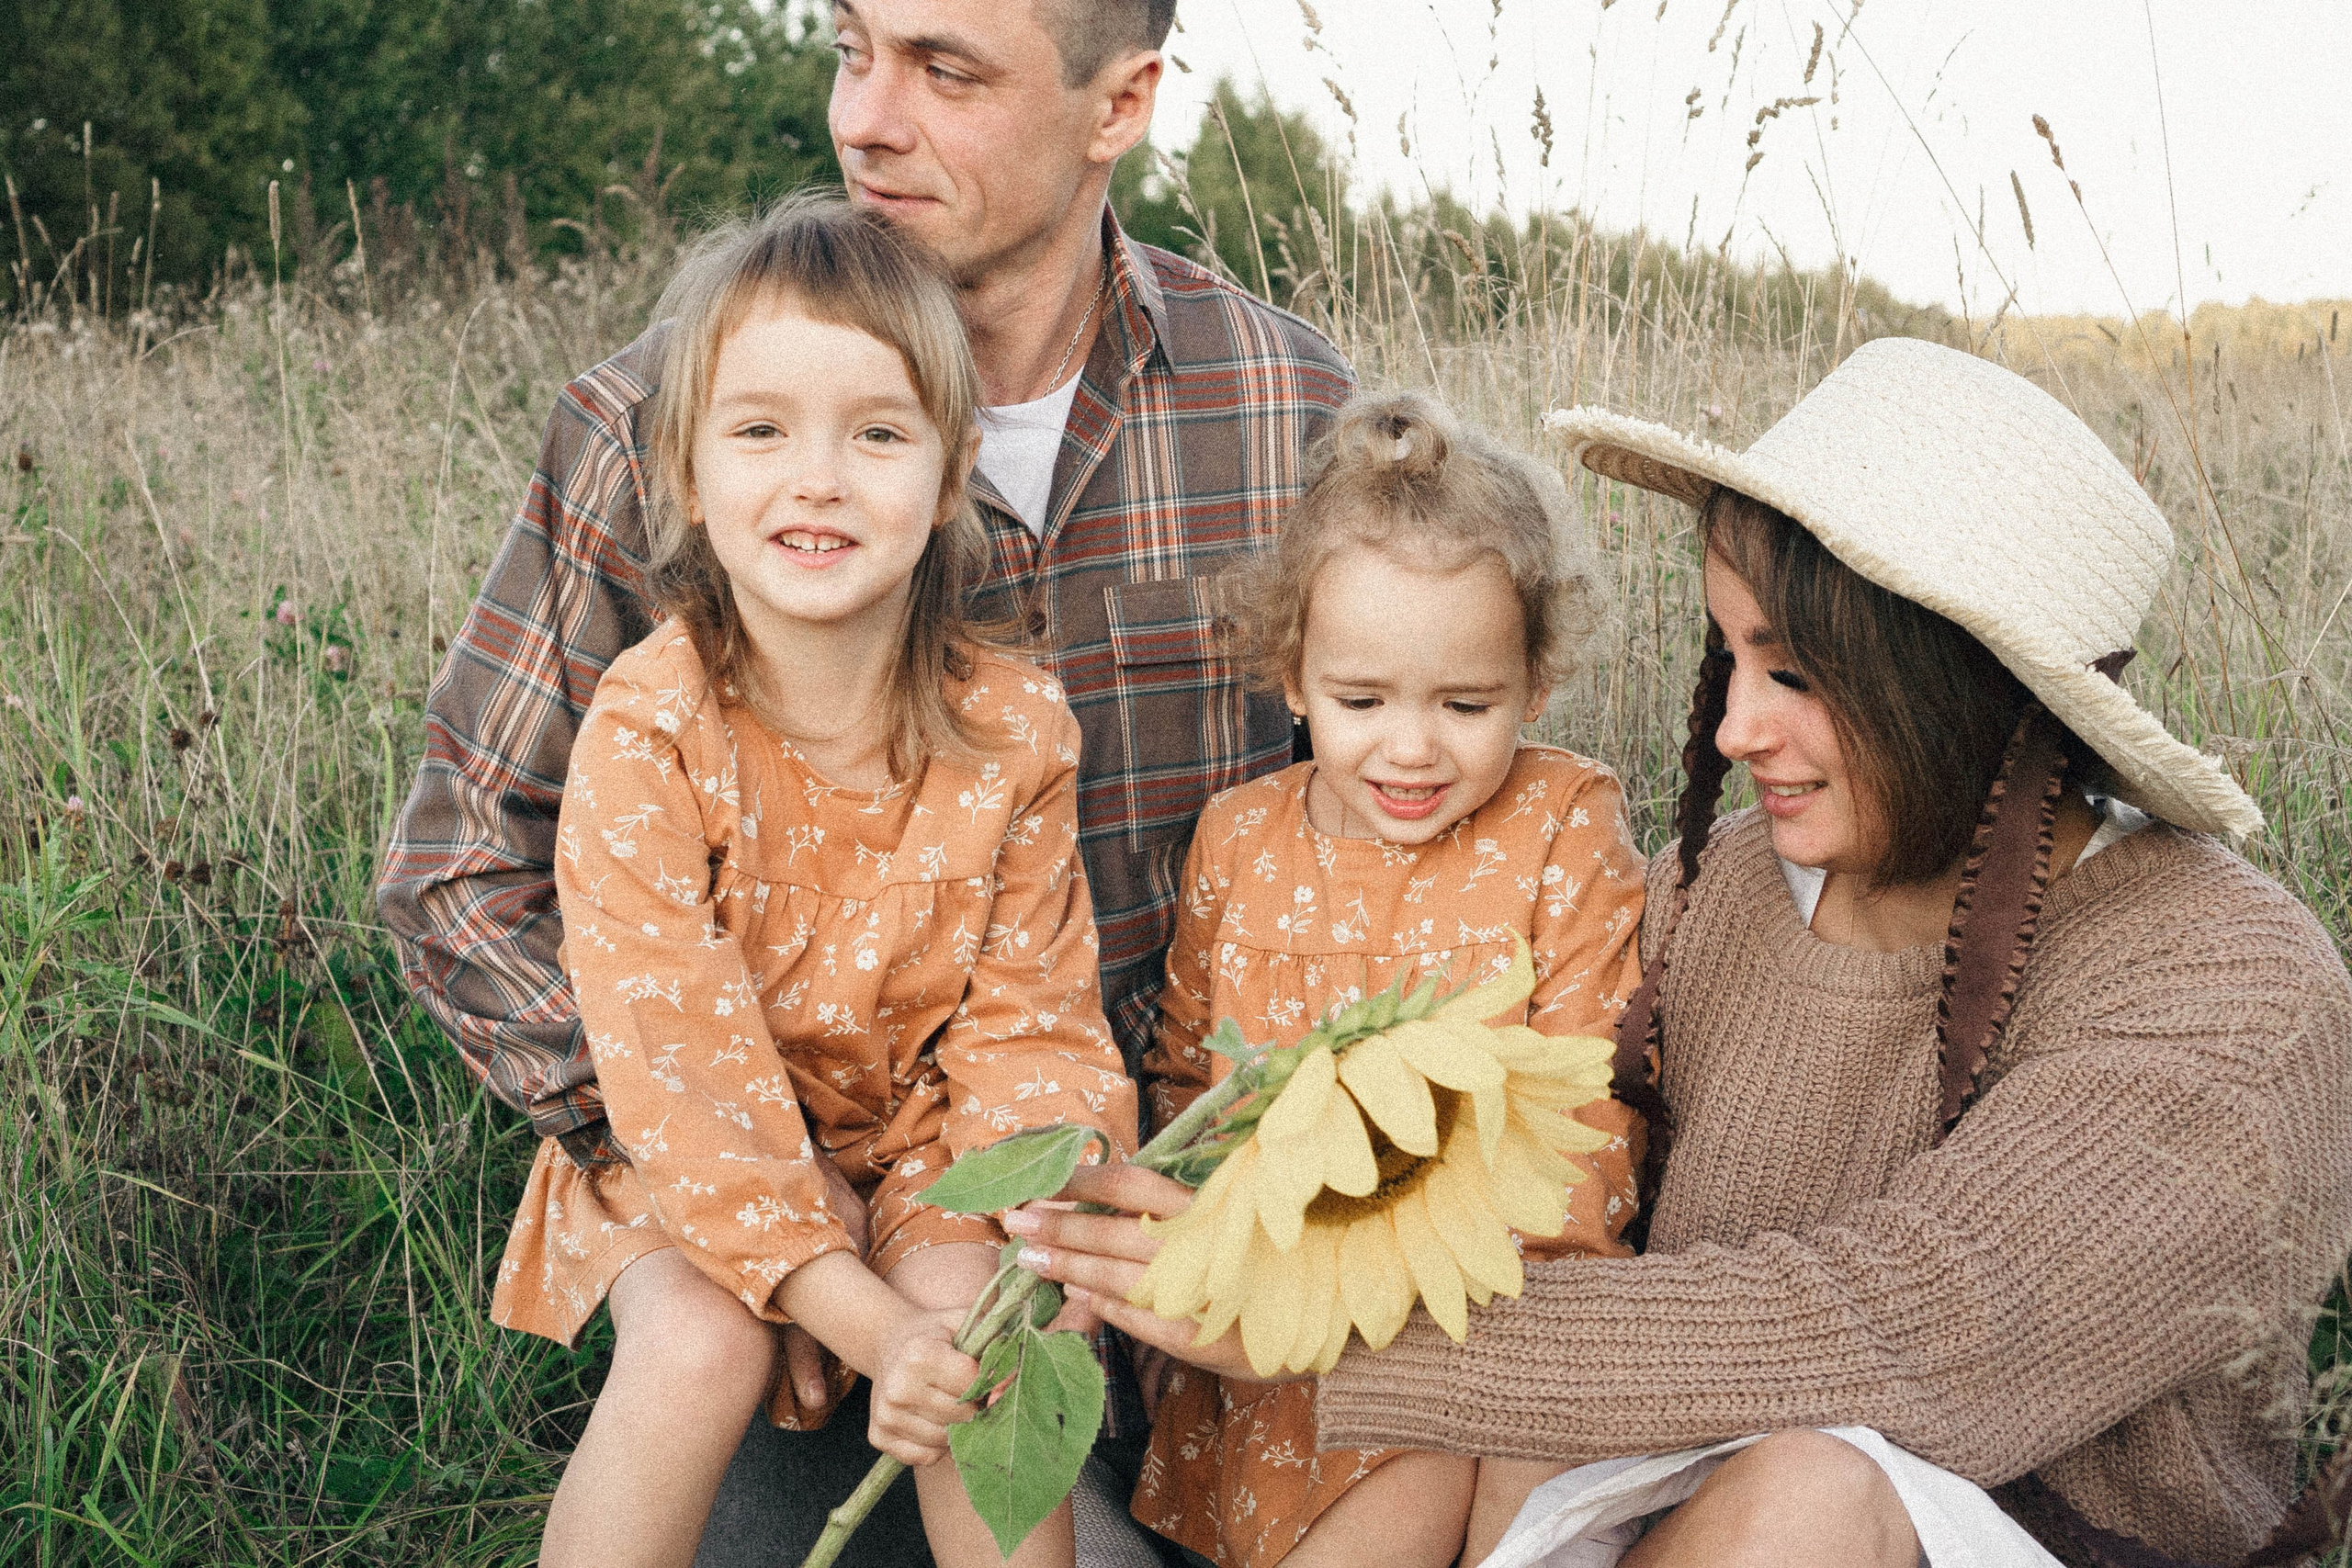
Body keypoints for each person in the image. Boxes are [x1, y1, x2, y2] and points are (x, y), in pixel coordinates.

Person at [1010, 338, 2352, 1568]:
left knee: (1803, 1491)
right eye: (1733, 658)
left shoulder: (2230, 988)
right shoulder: (1738, 891)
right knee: (1546, 1417)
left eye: (1798, 675)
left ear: (1951, 684)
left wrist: (1338, 1318)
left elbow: (1918, 1327)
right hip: (1688, 1487)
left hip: (2005, 1529)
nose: (1731, 732)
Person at [376, 1, 1352, 1561]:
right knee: (781, 1427)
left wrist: (1114, 1196)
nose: (863, 120)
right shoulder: (668, 417)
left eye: (944, 69)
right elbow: (458, 874)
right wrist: (785, 1227)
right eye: (852, 49)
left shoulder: (1287, 419)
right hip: (735, 1231)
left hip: (1078, 1209)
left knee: (1042, 1417)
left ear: (1123, 104)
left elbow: (1372, 835)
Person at [494, 195, 1136, 1568]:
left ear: (955, 469)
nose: (820, 478)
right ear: (681, 465)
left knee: (989, 1348)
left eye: (880, 432)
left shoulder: (1014, 728)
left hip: (919, 1140)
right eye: (761, 428)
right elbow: (678, 1072)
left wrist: (1045, 1209)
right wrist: (857, 1315)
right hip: (690, 1144)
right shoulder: (649, 727)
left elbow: (1032, 1022)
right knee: (698, 1344)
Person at [1089, 390, 1648, 1568]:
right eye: (1359, 702)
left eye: (1466, 704)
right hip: (1263, 1326)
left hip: (1478, 1315)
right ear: (1289, 676)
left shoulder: (1560, 824)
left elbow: (1592, 1117)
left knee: (1454, 1455)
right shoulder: (1240, 838)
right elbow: (1185, 1079)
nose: (1409, 747)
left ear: (1536, 682)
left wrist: (1402, 1297)